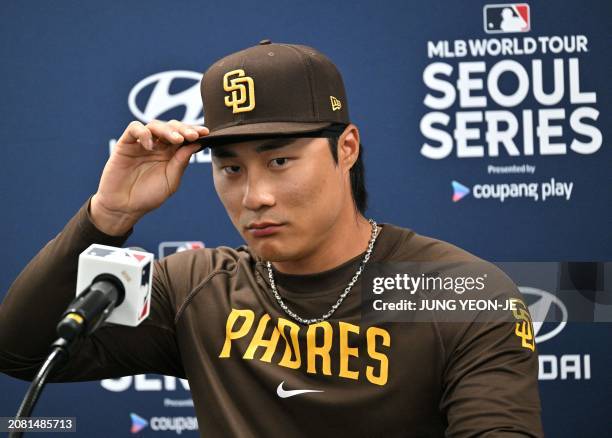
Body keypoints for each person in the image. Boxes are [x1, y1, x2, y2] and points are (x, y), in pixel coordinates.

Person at [0, 41, 543, 437]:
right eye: (230, 168)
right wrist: (108, 214)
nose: (254, 196)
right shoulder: (196, 286)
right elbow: (20, 352)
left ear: (346, 148)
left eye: (280, 160)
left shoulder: (459, 293)